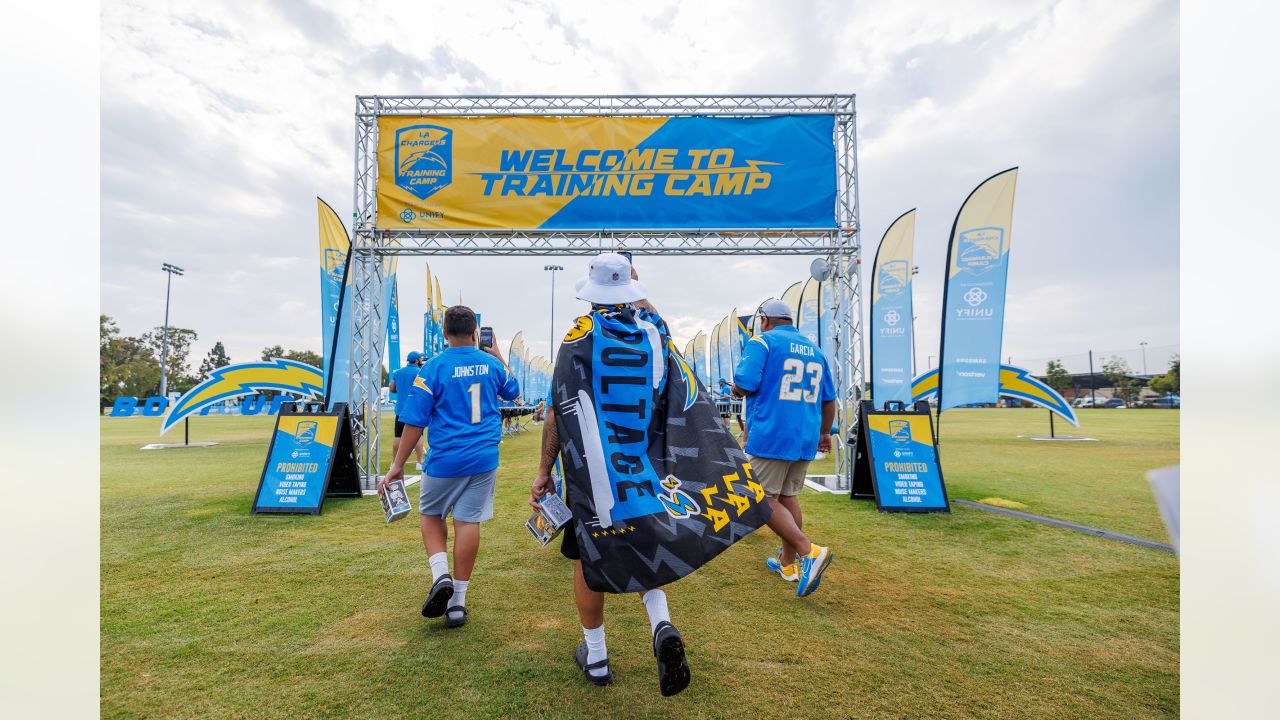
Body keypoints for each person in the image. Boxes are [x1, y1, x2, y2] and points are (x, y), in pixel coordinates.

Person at [531, 253, 703, 696]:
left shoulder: (579, 335)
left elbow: (556, 412)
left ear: (590, 290)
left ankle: (597, 655)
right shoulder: (654, 333)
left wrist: (544, 471)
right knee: (646, 544)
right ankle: (660, 623)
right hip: (642, 466)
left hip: (592, 476)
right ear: (629, 286)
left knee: (590, 560)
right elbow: (674, 386)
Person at [382, 306, 520, 629]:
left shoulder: (433, 368)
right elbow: (513, 392)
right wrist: (497, 353)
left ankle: (440, 574)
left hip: (445, 458)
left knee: (431, 516)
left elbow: (413, 420)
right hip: (484, 457)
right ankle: (457, 602)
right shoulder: (490, 364)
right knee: (468, 522)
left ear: (444, 335)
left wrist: (398, 465)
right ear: (476, 332)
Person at [732, 298, 835, 596]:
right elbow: (829, 399)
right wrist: (825, 432)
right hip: (804, 435)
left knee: (759, 497)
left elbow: (745, 382)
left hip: (772, 432)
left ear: (764, 320)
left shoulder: (762, 342)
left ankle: (808, 551)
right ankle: (787, 563)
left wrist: (737, 390)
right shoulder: (815, 350)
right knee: (788, 498)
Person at [388, 351, 426, 472]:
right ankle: (420, 462)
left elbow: (392, 389)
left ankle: (394, 463)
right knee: (418, 435)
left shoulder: (398, 373)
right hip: (415, 409)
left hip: (400, 410)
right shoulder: (420, 372)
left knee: (398, 436)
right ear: (416, 360)